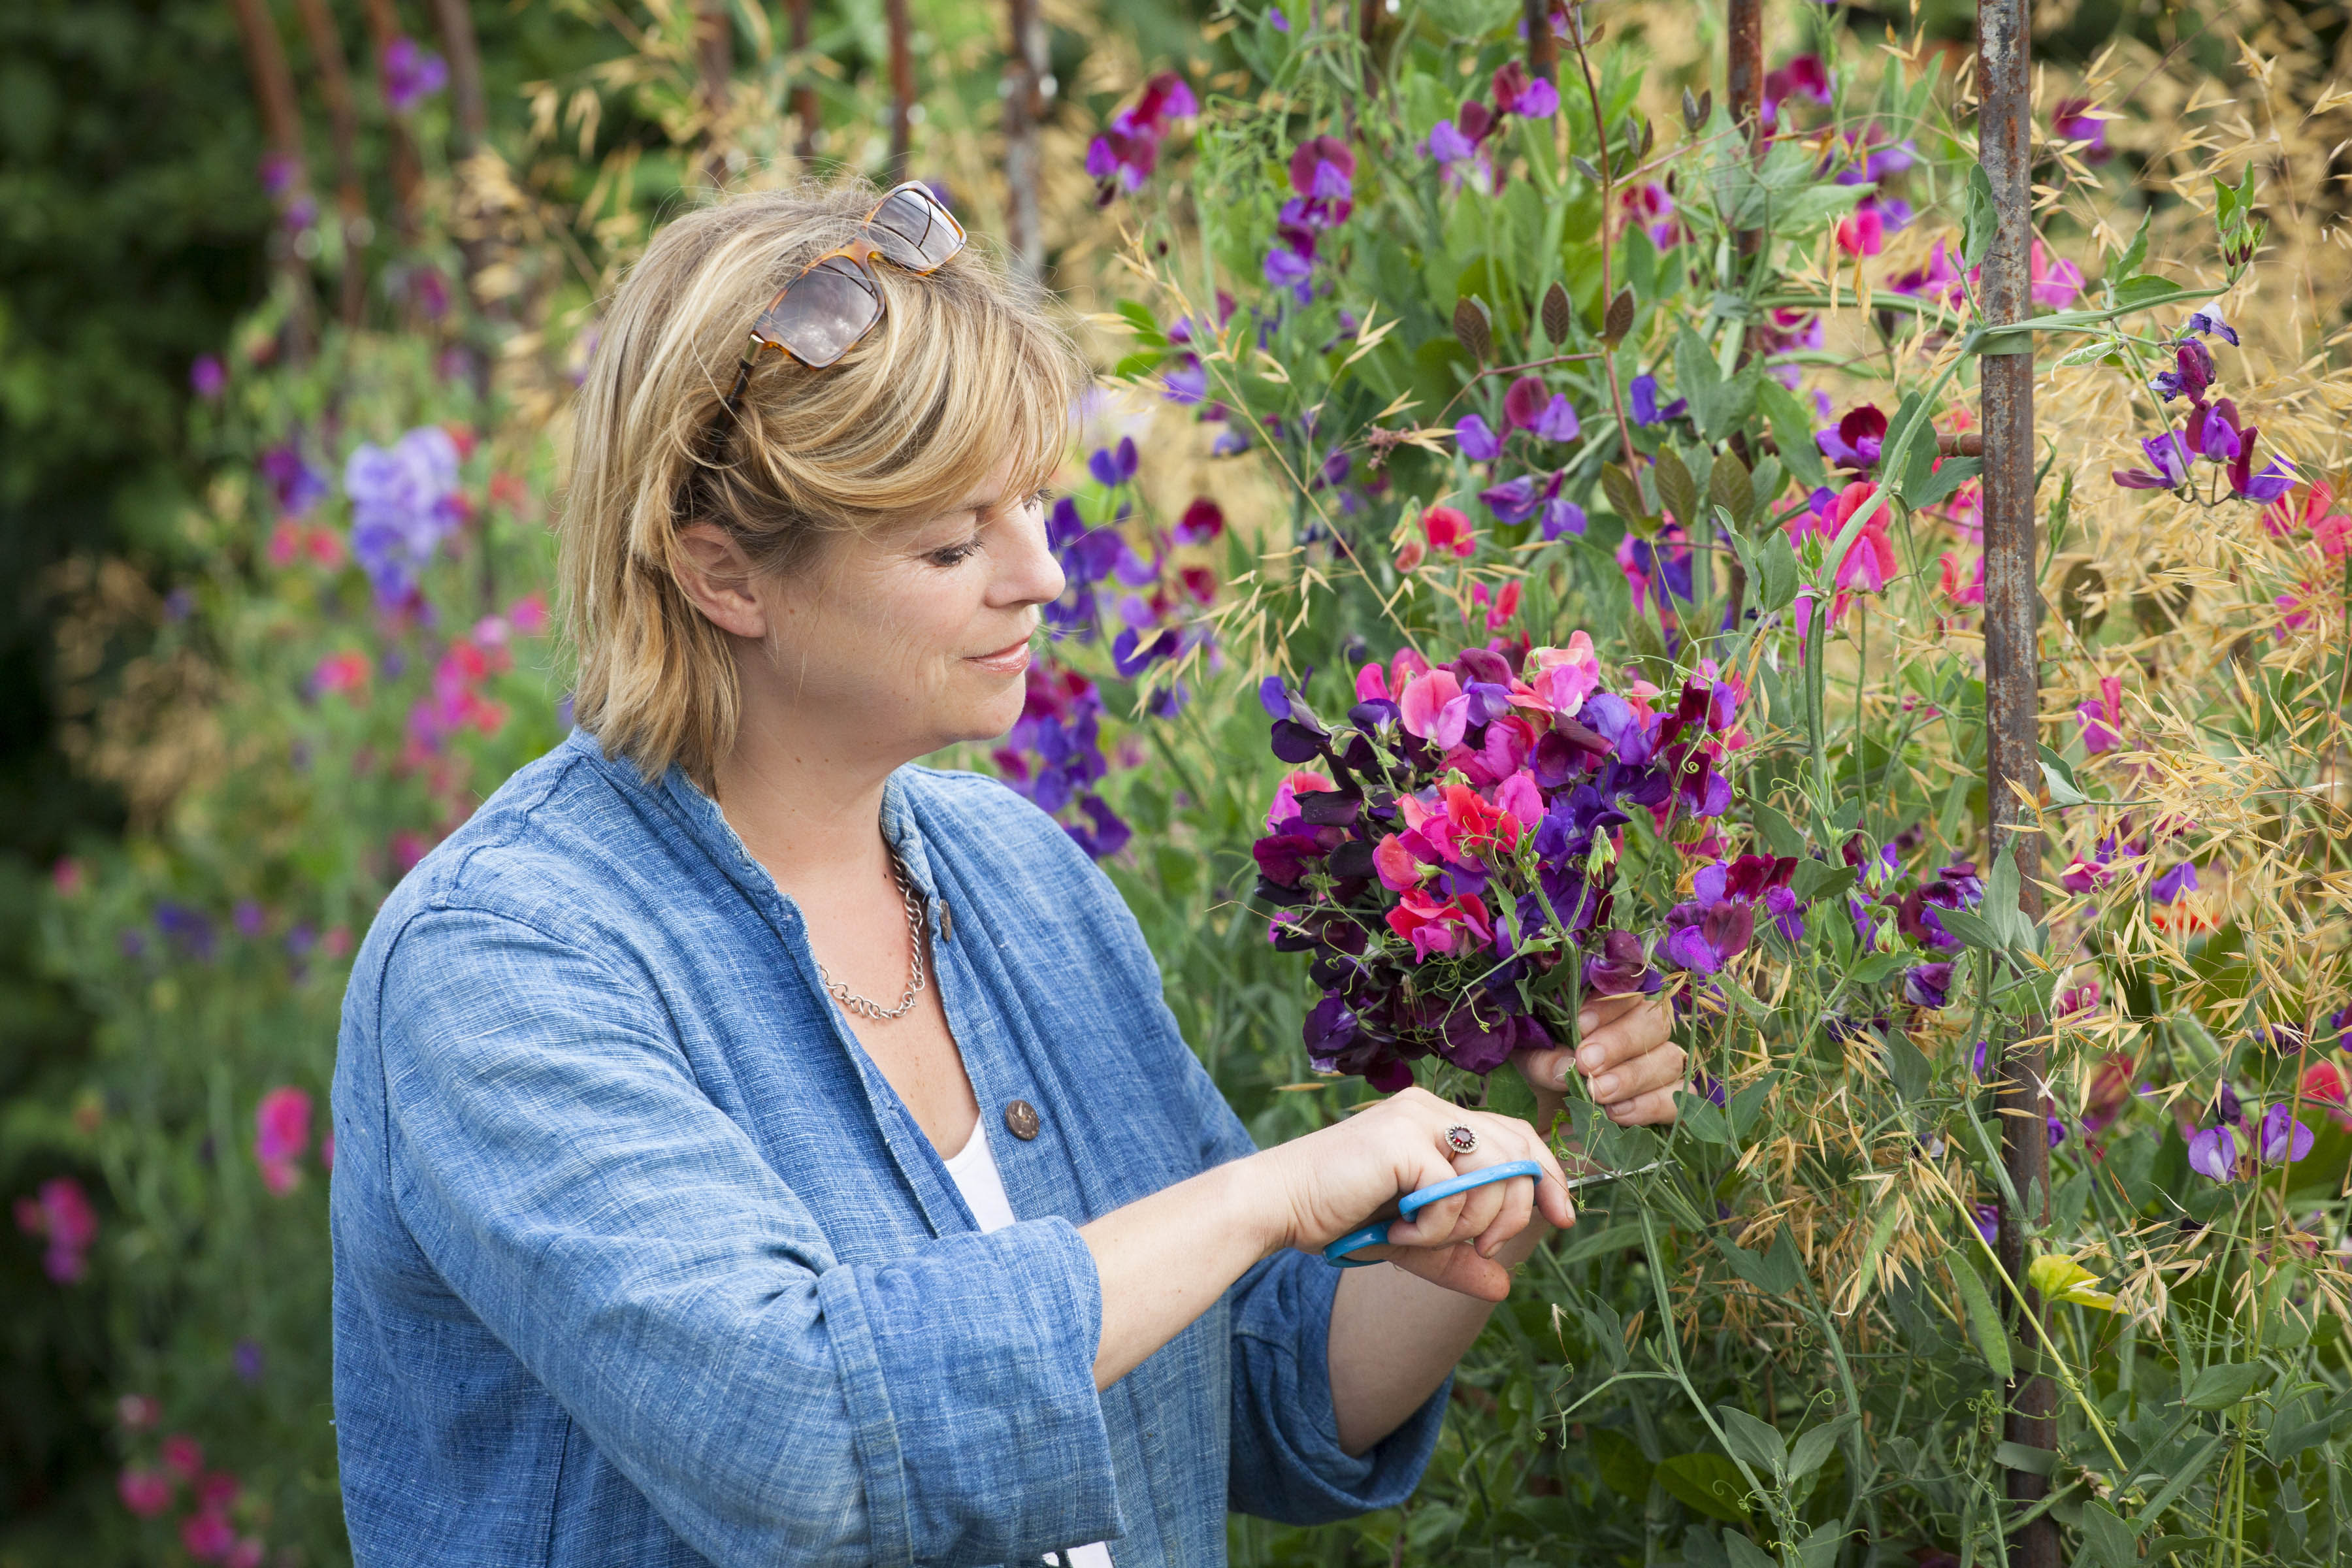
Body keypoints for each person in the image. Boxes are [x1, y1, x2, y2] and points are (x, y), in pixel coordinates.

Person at [329, 180, 1684, 1568]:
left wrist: (1475, 1185)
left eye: (1031, 505)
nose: (1041, 576)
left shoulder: (1016, 879)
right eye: (951, 541)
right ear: (723, 575)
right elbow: (797, 1439)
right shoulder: (508, 960)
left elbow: (1257, 1392)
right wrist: (1268, 1193)